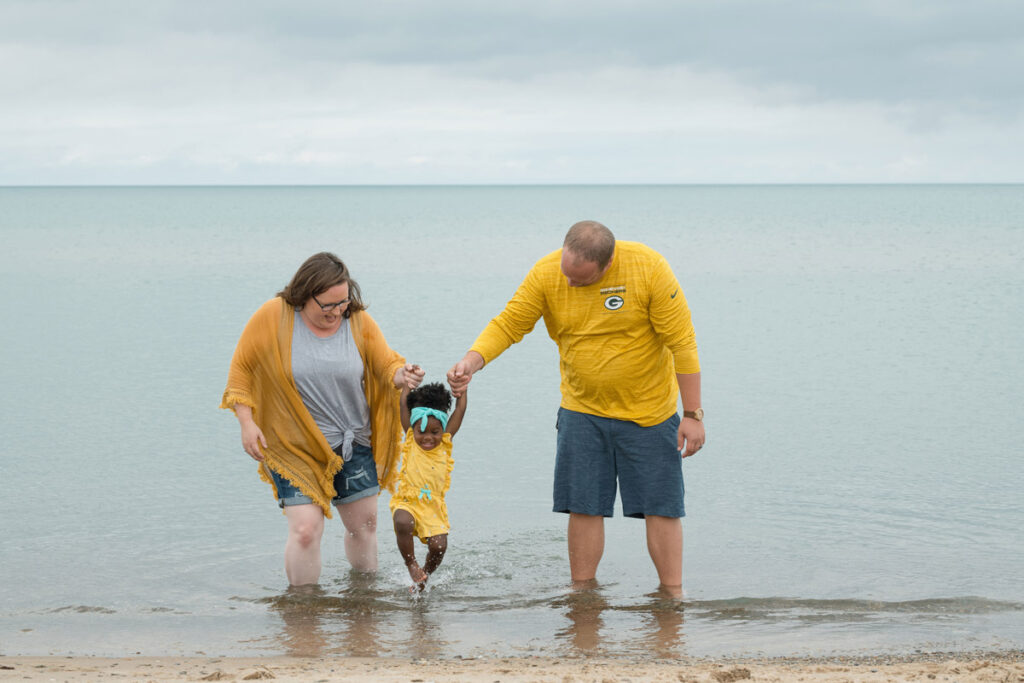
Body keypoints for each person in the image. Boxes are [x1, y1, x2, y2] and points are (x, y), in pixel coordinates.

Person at [447, 221, 705, 595]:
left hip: (650, 413)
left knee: (662, 508)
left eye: (580, 280)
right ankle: (583, 596)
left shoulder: (648, 267)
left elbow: (682, 342)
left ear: (608, 263)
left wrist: (693, 414)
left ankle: (672, 596)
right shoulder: (548, 272)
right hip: (582, 410)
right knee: (584, 506)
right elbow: (509, 324)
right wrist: (471, 362)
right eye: (566, 274)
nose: (569, 284)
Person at [221, 252, 425, 586]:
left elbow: (385, 365)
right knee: (304, 531)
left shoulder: (357, 322)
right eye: (327, 305)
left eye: (343, 303)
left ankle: (364, 603)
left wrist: (403, 375)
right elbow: (241, 369)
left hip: (353, 443)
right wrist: (246, 422)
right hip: (293, 445)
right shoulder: (274, 315)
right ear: (304, 294)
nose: (336, 312)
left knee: (364, 527)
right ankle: (303, 612)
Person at [389, 381, 468, 590]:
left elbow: (459, 411)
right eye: (422, 431)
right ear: (413, 429)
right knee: (403, 522)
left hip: (433, 506)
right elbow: (403, 407)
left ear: (442, 431)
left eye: (435, 432)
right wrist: (406, 386)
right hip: (408, 500)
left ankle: (424, 576)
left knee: (439, 546)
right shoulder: (410, 439)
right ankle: (411, 565)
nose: (428, 438)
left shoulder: (445, 443)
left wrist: (462, 391)